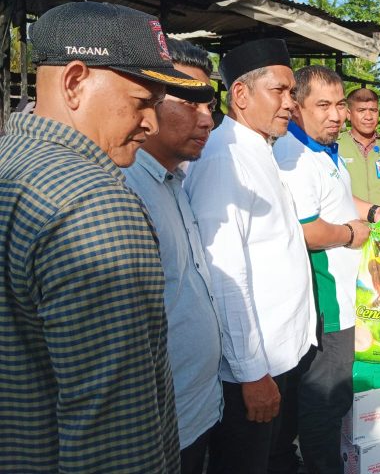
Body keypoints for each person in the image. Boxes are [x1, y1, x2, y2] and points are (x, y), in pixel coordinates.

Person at [0, 1, 210, 472]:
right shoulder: (97, 206)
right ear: (75, 82)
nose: (152, 123)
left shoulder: (10, 163)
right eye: (142, 102)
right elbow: (113, 439)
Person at [184, 39, 318, 474]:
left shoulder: (258, 149)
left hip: (275, 358)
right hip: (251, 370)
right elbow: (226, 276)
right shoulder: (226, 158)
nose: (290, 104)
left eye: (291, 92)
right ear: (240, 95)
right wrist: (250, 374)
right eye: (279, 91)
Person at [273, 65, 380, 473]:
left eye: (339, 103)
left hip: (344, 297)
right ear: (296, 107)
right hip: (326, 304)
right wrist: (349, 234)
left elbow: (342, 200)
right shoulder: (294, 157)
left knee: (329, 400)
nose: (336, 114)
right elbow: (307, 230)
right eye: (322, 105)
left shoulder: (325, 151)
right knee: (325, 403)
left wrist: (378, 211)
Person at [123, 38, 222, 474]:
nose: (207, 121)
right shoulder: (125, 190)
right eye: (190, 103)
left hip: (197, 409)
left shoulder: (173, 181)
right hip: (157, 426)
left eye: (209, 107)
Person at [338, 87, 380, 205]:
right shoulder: (334, 147)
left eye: (373, 110)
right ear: (348, 114)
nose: (368, 117)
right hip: (345, 221)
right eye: (361, 110)